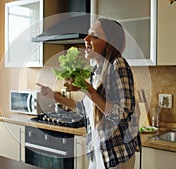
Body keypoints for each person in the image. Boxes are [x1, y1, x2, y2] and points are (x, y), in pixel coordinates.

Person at [37, 18, 140, 169]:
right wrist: (54, 96)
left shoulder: (118, 65)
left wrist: (88, 89)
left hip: (116, 156)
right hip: (97, 153)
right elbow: (85, 110)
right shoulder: (96, 71)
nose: (86, 39)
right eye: (88, 34)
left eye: (94, 36)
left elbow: (122, 115)